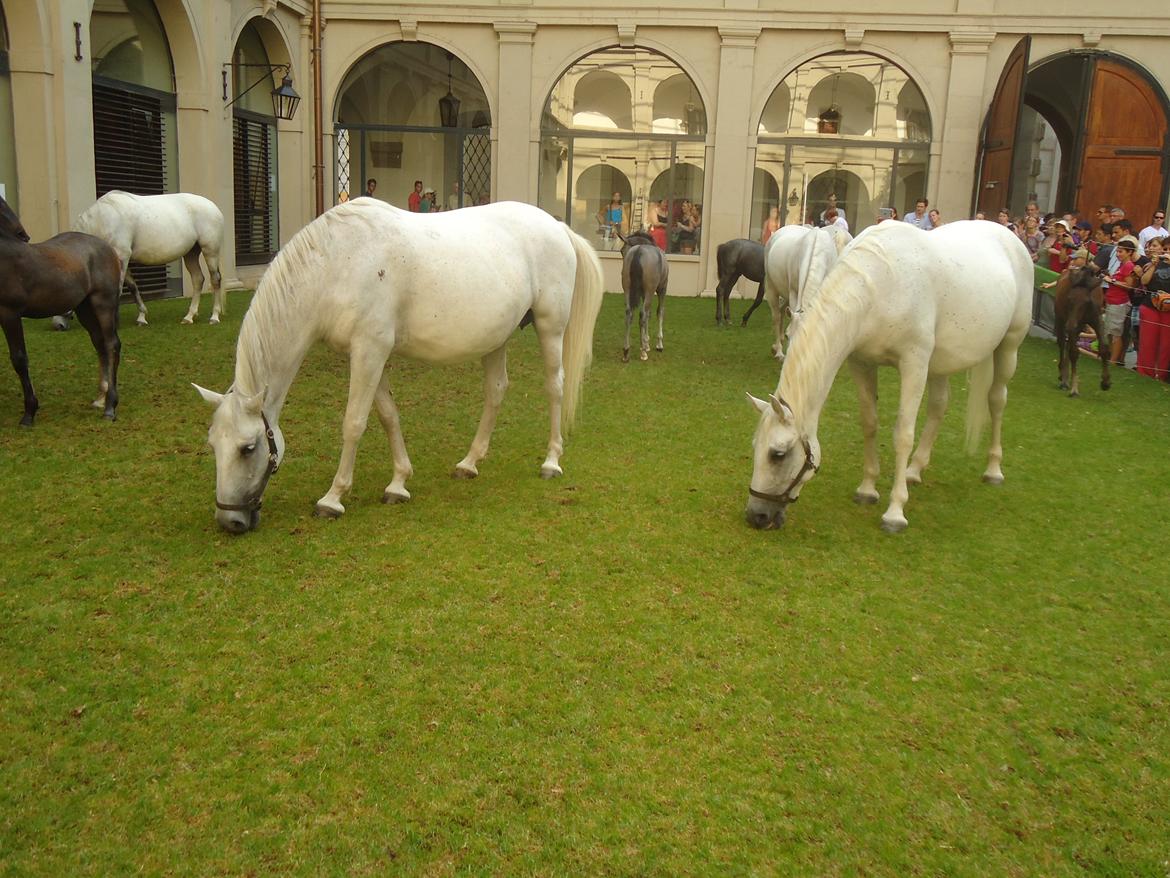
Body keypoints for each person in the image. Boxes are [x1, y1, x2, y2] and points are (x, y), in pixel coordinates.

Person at [1136, 235, 1170, 379]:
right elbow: (1144, 281)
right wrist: (1154, 265)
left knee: (1166, 345)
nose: (1167, 251)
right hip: (1150, 306)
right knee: (1147, 342)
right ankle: (1144, 373)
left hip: (1168, 310)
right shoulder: (1153, 263)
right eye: (1165, 248)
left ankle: (1162, 374)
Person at [1102, 236, 1139, 365]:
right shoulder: (1121, 265)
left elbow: (1129, 286)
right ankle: (1110, 358)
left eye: (1121, 251)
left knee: (1115, 333)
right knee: (1110, 332)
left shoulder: (1128, 266)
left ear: (1129, 252)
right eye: (1117, 251)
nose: (1118, 254)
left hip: (1119, 303)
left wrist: (1111, 280)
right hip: (1112, 301)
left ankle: (1113, 361)